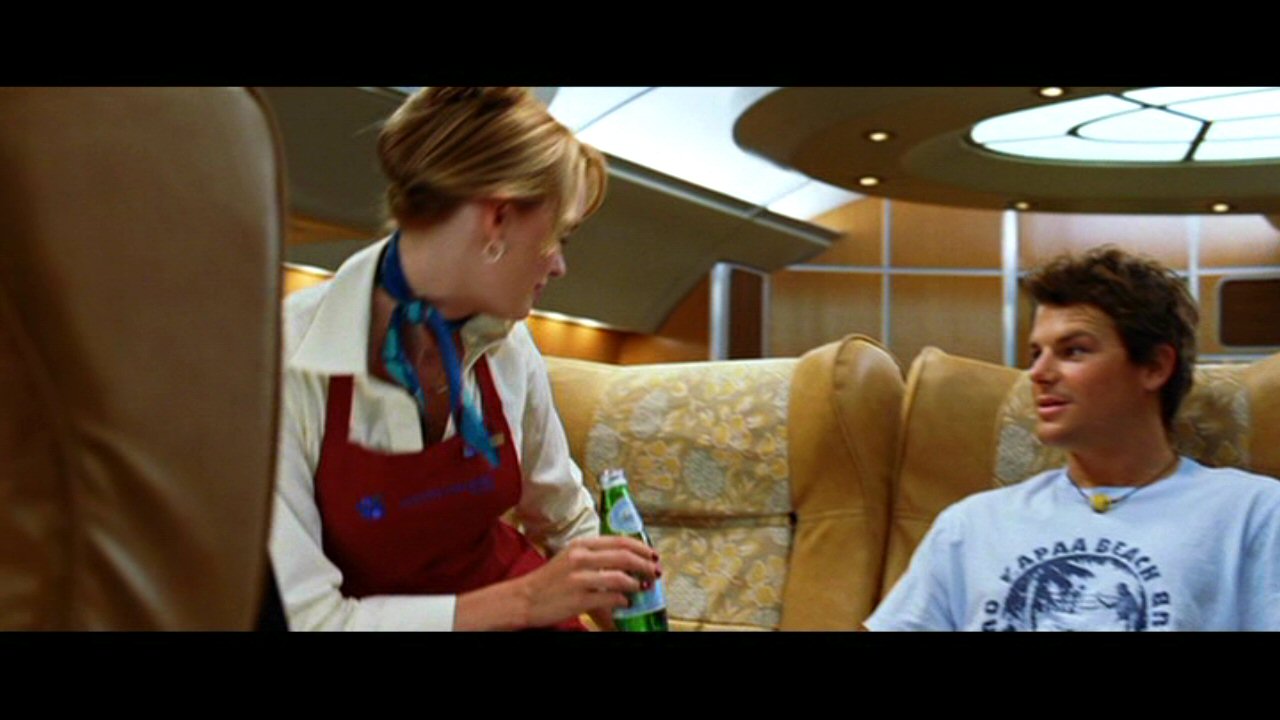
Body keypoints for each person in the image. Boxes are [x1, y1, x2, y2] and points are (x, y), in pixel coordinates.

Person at [270, 87, 660, 631]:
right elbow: (310, 620)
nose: (559, 266)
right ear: (497, 220)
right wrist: (529, 599)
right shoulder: (284, 360)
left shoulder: (509, 344)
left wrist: (625, 604)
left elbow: (563, 517)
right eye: (559, 236)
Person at [865, 246, 1280, 631]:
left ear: (1155, 366)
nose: (1039, 373)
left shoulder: (1254, 513)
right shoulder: (971, 525)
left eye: (1074, 351)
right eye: (1036, 354)